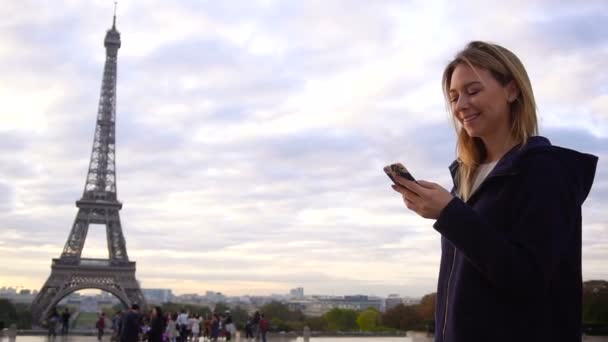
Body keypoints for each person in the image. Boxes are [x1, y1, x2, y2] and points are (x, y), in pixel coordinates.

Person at [389, 40, 598, 342]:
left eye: (473, 91)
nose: (461, 105)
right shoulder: (465, 177)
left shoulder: (546, 172)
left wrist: (449, 213)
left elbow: (528, 278)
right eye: (454, 97)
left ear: (512, 90)